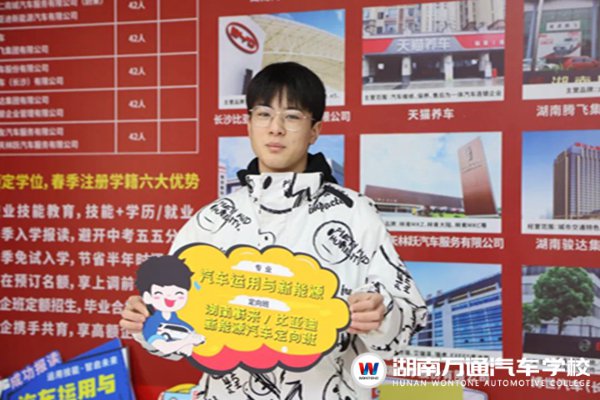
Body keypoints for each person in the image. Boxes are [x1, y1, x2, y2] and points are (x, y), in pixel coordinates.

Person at [120, 61, 427, 399]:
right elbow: (177, 337)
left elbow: (406, 324)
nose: (275, 128)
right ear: (249, 124)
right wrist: (147, 323)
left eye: (292, 116)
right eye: (264, 114)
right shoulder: (212, 220)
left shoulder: (354, 213)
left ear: (314, 130)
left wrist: (382, 314)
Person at [135, 255, 205, 357]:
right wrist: (187, 341)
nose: (170, 298)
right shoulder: (153, 323)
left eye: (179, 294)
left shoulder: (181, 322)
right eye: (159, 293)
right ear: (147, 297)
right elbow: (165, 348)